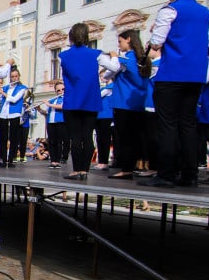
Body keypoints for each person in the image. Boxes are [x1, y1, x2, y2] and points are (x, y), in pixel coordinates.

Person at [140, 0, 209, 189]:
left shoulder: (170, 10)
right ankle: (190, 175)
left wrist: (153, 35)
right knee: (188, 124)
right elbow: (206, 41)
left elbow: (156, 43)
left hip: (172, 74)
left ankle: (167, 174)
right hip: (196, 75)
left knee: (168, 125)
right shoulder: (206, 12)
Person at [103, 29, 149, 180]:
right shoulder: (141, 58)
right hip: (138, 102)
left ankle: (126, 168)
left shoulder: (126, 59)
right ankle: (131, 166)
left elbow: (108, 74)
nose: (119, 45)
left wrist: (114, 57)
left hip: (124, 102)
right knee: (134, 136)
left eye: (120, 41)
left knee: (124, 137)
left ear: (128, 39)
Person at [59, 23, 102, 180]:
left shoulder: (64, 56)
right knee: (88, 136)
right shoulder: (96, 54)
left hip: (73, 100)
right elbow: (113, 66)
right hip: (91, 100)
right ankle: (85, 169)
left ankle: (76, 169)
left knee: (75, 137)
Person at [0, 68, 26, 168]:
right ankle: (3, 159)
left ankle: (11, 159)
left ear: (19, 76)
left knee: (13, 137)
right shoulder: (6, 87)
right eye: (12, 77)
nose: (14, 78)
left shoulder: (22, 88)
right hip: (3, 114)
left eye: (16, 76)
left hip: (14, 114)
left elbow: (14, 99)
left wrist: (2, 92)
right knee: (2, 138)